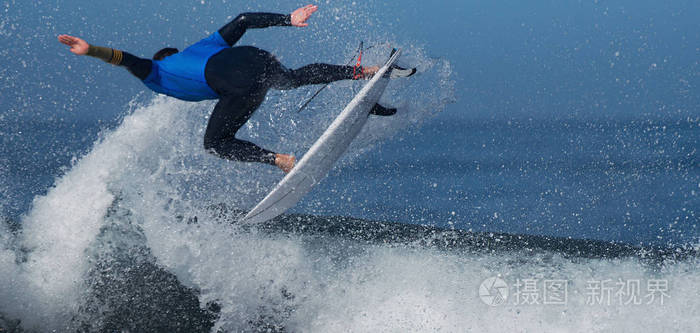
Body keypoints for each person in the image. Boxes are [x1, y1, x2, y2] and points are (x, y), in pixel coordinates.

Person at [58, 5, 407, 173]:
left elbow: (127, 59)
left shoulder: (156, 72)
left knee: (214, 144)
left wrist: (92, 50)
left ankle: (279, 159)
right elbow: (243, 20)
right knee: (293, 79)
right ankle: (365, 71)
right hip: (253, 62)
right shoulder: (202, 46)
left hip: (233, 83)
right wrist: (288, 18)